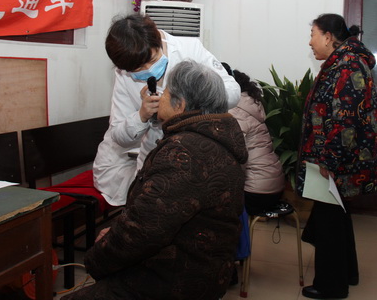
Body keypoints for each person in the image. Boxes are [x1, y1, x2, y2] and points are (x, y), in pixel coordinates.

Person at [63, 60, 248, 300]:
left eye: (166, 92)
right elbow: (156, 214)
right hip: (204, 271)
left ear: (180, 104)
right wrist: (117, 231)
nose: (160, 98)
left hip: (172, 280)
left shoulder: (184, 153)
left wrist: (96, 259)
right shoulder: (215, 141)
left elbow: (143, 231)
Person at [93, 15, 240, 206]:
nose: (148, 69)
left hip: (197, 151)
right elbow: (119, 136)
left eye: (152, 59)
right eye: (139, 69)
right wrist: (141, 116)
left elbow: (233, 92)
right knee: (155, 209)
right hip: (156, 159)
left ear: (158, 41)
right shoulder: (124, 73)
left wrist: (186, 102)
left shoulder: (189, 49)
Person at [297, 13, 377, 299]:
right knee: (337, 217)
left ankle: (331, 286)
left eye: (313, 34)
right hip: (337, 157)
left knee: (329, 223)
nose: (310, 41)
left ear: (327, 37)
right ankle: (348, 273)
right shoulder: (341, 62)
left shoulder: (348, 65)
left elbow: (346, 118)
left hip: (337, 160)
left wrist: (329, 159)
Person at [222, 63, 286, 215]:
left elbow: (236, 155)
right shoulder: (250, 103)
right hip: (274, 186)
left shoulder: (236, 112)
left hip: (256, 192)